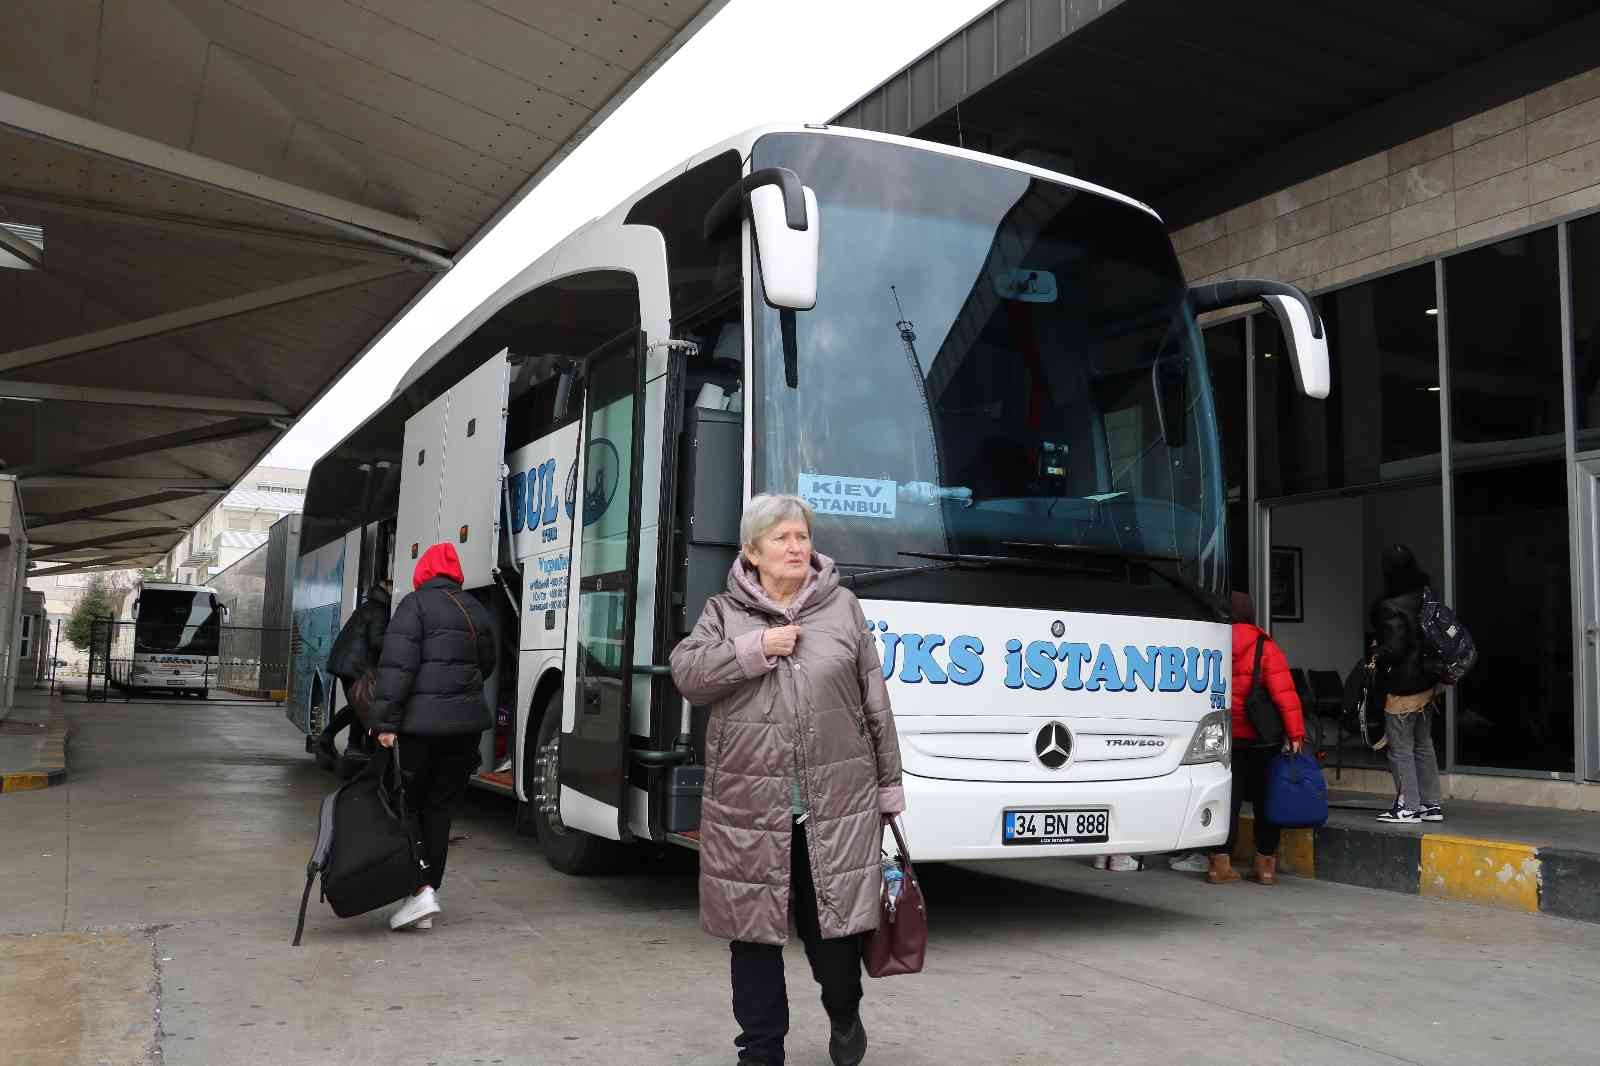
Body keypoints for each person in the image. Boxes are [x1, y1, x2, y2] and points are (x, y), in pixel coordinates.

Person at [670, 494, 904, 1066]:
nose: (797, 547)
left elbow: (875, 702)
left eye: (802, 536)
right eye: (782, 539)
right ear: (752, 552)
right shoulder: (724, 613)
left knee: (834, 939)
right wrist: (753, 649)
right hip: (748, 808)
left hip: (836, 805)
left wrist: (889, 787)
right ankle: (760, 1051)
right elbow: (688, 673)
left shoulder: (843, 607)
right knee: (751, 937)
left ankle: (844, 1013)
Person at [369, 543, 496, 931]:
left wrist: (385, 723)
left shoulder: (414, 606)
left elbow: (396, 668)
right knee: (440, 811)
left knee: (406, 806)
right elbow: (486, 664)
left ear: (424, 572)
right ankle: (423, 896)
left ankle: (420, 888)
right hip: (465, 729)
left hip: (421, 729)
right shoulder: (475, 609)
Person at [1207, 591, 1305, 886]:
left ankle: (1219, 864)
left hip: (1223, 736)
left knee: (1227, 799)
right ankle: (1264, 866)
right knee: (1266, 800)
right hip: (1262, 738)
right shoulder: (1265, 646)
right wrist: (1296, 733)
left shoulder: (1212, 643)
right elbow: (1284, 693)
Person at [1371, 544, 1444, 824]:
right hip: (1428, 683)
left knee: (1400, 746)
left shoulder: (1390, 606)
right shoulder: (1426, 595)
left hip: (1403, 687)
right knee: (1423, 743)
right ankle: (1430, 804)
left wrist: (1377, 651)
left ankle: (1408, 806)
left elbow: (1396, 648)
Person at [317, 578, 393, 765]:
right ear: (385, 587)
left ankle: (334, 741)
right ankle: (348, 745)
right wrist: (398, 641)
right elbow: (376, 640)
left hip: (348, 663)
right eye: (391, 584)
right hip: (354, 665)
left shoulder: (370, 606)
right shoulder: (380, 610)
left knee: (357, 706)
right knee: (360, 706)